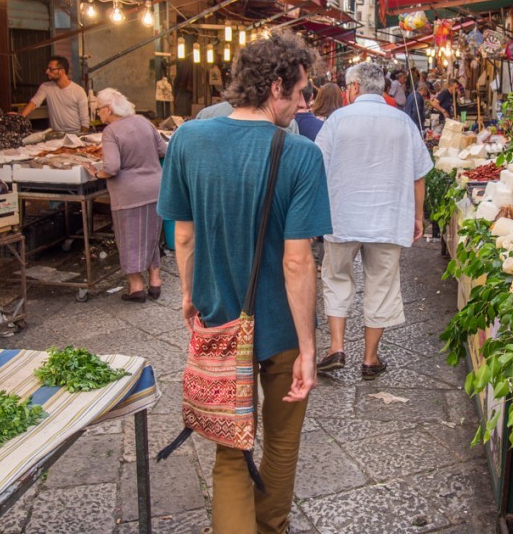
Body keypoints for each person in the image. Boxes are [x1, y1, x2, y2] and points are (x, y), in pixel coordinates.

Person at [157, 31, 331, 533]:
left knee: (230, 451)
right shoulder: (300, 155)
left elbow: (182, 237)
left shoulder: (188, 138)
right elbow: (297, 263)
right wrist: (307, 346)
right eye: (301, 92)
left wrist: (191, 294)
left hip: (218, 321)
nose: (303, 104)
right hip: (278, 329)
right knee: (280, 445)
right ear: (276, 86)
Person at [316, 62, 433, 380]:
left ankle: (336, 348)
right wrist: (418, 216)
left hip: (341, 216)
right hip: (387, 217)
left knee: (337, 278)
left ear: (353, 87)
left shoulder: (337, 120)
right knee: (381, 284)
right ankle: (369, 358)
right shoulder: (402, 122)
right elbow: (419, 174)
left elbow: (317, 167)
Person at [81, 88, 166, 302]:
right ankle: (155, 282)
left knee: (129, 238)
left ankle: (136, 287)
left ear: (108, 109)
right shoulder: (143, 121)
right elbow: (164, 149)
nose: (98, 114)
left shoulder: (111, 131)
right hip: (156, 188)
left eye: (98, 110)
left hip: (129, 194)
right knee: (151, 235)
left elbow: (111, 167)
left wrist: (96, 172)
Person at [19, 56, 89, 134]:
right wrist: (20, 118)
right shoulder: (46, 87)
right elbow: (34, 102)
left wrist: (82, 139)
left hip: (75, 134)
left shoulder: (78, 91)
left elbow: (85, 121)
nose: (47, 72)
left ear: (61, 71)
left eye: (51, 69)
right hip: (55, 135)